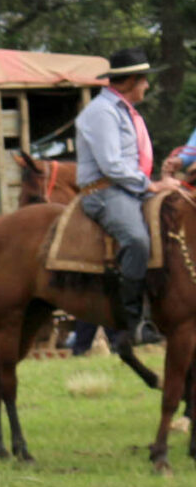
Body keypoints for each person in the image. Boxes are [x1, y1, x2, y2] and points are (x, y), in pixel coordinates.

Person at [75, 49, 156, 357]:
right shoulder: (102, 113)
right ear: (131, 81)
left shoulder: (124, 111)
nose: (147, 87)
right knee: (136, 240)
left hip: (130, 189)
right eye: (144, 80)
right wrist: (150, 184)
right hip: (106, 192)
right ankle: (133, 321)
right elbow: (111, 165)